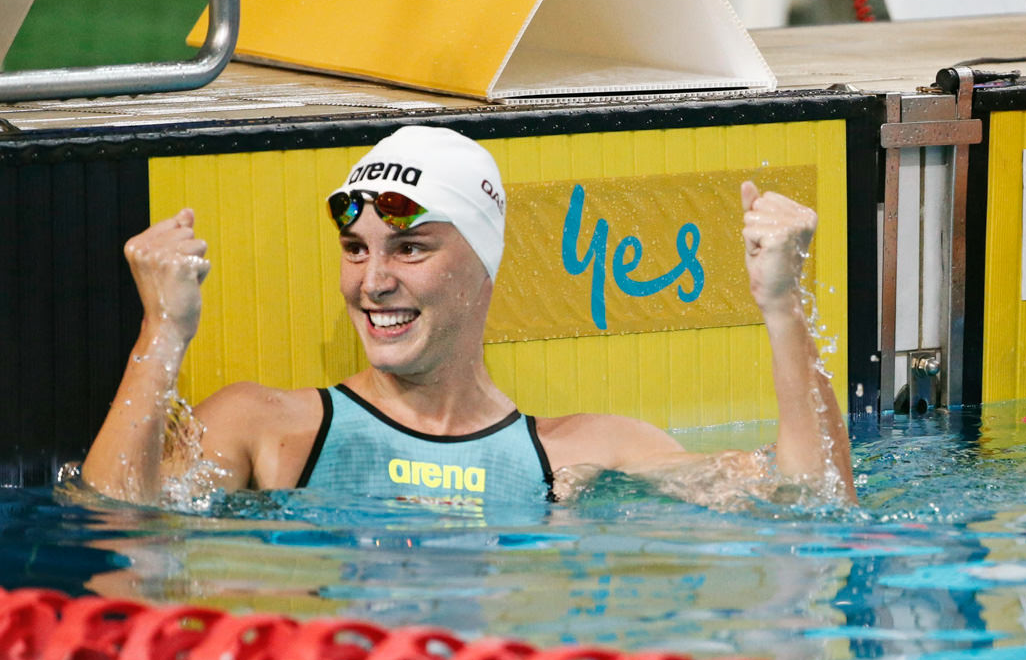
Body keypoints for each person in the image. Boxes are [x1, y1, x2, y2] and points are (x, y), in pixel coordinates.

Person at [83, 126, 853, 508]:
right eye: (355, 249)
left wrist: (784, 306)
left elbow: (814, 498)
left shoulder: (583, 454)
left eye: (410, 249)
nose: (373, 282)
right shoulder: (270, 427)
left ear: (482, 268)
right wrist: (164, 332)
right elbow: (116, 526)